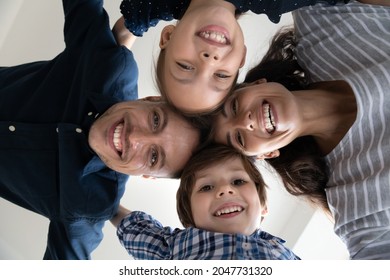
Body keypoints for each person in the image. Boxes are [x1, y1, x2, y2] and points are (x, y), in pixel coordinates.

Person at [0, 0, 206, 260]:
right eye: (155, 121)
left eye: (153, 157)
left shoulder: (89, 207)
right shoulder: (110, 69)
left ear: (148, 176)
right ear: (151, 100)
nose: (136, 138)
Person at [212, 0, 390, 259]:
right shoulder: (357, 209)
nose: (246, 121)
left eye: (235, 106)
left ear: (257, 83)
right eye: (239, 138)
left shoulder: (321, 25)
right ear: (267, 154)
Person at [119, 0, 350, 115]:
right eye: (221, 75)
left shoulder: (148, 6)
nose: (209, 59)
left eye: (185, 66)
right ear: (241, 57)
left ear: (167, 36)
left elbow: (119, 37)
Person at [111, 144, 300, 259]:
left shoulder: (283, 254)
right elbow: (135, 229)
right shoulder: (175, 246)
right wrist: (110, 205)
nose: (225, 190)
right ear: (189, 217)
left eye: (238, 181)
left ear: (263, 207)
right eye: (206, 187)